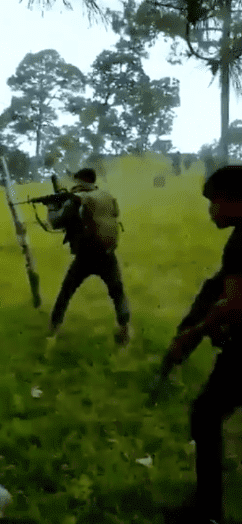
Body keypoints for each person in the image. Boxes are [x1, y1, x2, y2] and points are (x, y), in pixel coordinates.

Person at [152, 165, 242, 524]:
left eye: (213, 202)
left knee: (206, 415)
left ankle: (207, 511)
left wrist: (195, 333)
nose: (209, 212)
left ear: (234, 201)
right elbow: (222, 288)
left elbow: (236, 305)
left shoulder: (241, 241)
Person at [46, 168, 131, 346]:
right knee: (117, 292)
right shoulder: (106, 196)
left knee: (66, 292)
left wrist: (52, 206)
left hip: (85, 257)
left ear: (82, 180)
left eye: (76, 181)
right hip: (107, 253)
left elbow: (56, 222)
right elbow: (114, 214)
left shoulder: (77, 200)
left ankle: (53, 330)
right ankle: (124, 330)